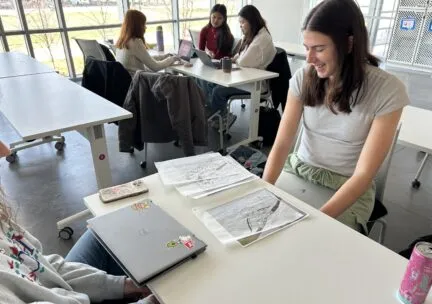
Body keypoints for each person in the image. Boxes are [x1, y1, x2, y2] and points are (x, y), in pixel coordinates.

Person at [262, 0, 410, 233]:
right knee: (261, 227)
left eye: (319, 49)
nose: (309, 58)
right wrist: (264, 189)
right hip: (300, 170)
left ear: (349, 43)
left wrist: (319, 221)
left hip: (347, 187)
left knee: (312, 245)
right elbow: (281, 144)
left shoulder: (388, 90)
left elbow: (363, 175)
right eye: (307, 47)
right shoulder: (304, 77)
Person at [0, 140, 157, 304]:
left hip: (61, 293)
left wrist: (124, 286)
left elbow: (42, 265)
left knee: (105, 231)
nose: (5, 151)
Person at [200, 5, 276, 130]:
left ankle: (221, 118)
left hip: (254, 84)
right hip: (244, 76)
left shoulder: (261, 39)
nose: (240, 26)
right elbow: (239, 56)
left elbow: (243, 60)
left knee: (218, 91)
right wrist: (235, 58)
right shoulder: (253, 35)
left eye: (242, 22)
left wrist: (236, 59)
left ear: (251, 21)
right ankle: (220, 115)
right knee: (211, 84)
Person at [116, 9, 177, 75]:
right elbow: (156, 67)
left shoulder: (122, 41)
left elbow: (147, 59)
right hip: (138, 83)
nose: (145, 27)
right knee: (171, 77)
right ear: (137, 26)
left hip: (130, 81)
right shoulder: (135, 42)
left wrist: (165, 56)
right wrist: (173, 59)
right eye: (143, 24)